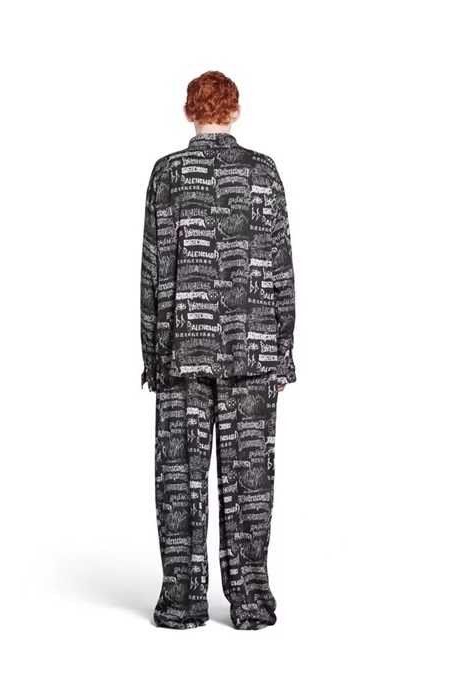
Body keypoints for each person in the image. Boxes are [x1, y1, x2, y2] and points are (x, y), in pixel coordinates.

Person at [140, 70, 297, 630]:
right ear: (234, 112)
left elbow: (153, 268)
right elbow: (281, 267)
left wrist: (153, 356)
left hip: (184, 348)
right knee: (250, 482)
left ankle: (182, 603)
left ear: (190, 112)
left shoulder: (168, 174)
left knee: (179, 479)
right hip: (253, 349)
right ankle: (251, 603)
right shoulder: (264, 172)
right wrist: (282, 351)